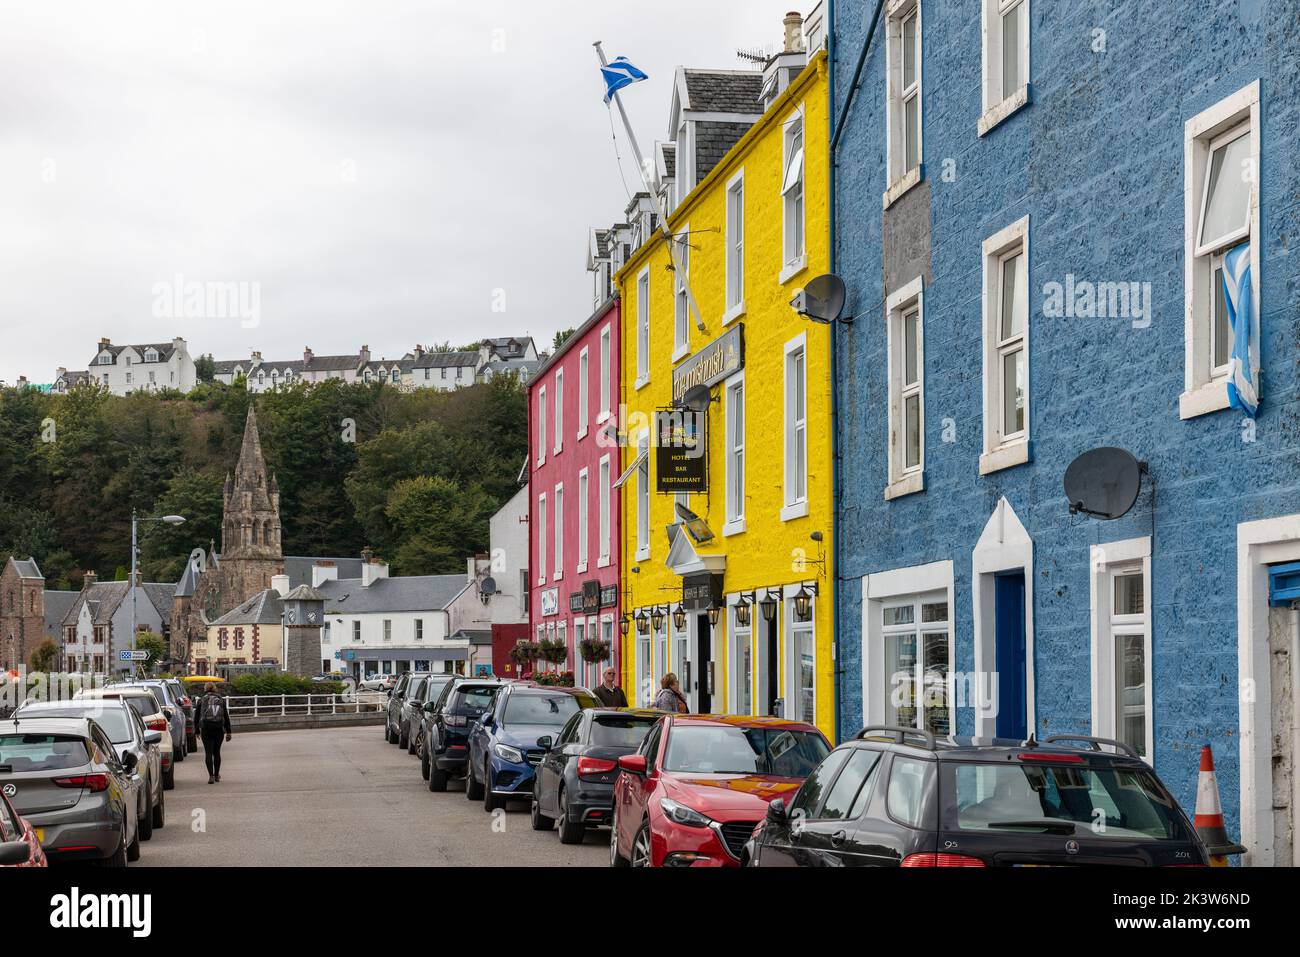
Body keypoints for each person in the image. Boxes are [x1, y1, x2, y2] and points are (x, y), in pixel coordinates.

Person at [195, 682, 232, 783]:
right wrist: (228, 731)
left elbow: (197, 716)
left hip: (206, 728)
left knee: (208, 753)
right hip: (218, 728)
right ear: (214, 688)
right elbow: (225, 716)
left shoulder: (202, 700)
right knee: (217, 752)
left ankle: (210, 776)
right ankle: (216, 775)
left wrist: (197, 730)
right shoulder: (220, 699)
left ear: (205, 689)